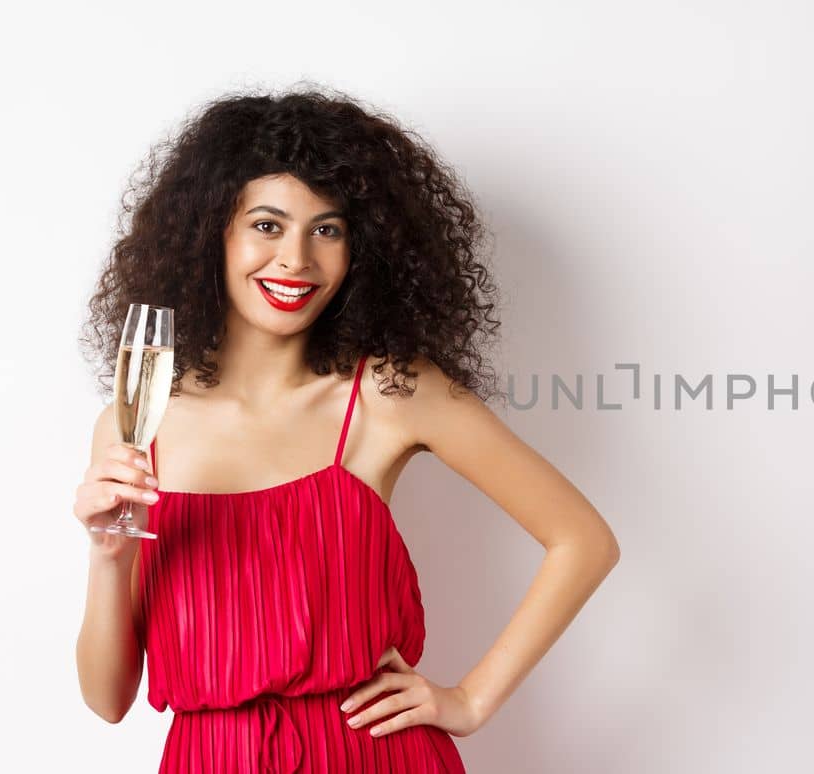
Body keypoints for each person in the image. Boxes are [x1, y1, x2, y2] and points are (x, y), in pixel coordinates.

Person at [72, 86, 621, 772]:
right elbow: (107, 699)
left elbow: (582, 540)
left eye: (327, 229)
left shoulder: (393, 393)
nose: (297, 260)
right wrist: (107, 556)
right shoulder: (136, 423)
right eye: (267, 226)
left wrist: (472, 701)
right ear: (211, 233)